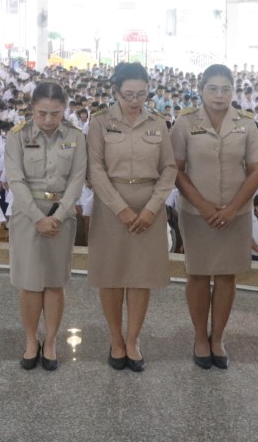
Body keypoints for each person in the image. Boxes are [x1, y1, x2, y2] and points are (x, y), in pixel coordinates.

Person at [170, 64, 258, 370]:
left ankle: (218, 338)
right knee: (198, 274)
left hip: (236, 214)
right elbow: (176, 170)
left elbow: (256, 170)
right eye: (213, 88)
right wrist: (204, 206)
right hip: (196, 213)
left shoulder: (246, 123)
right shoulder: (185, 123)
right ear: (201, 90)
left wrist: (232, 208)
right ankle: (200, 336)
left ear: (233, 91)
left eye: (226, 89)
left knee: (226, 276)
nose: (219, 95)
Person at [86, 62, 176, 372]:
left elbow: (169, 168)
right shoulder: (100, 122)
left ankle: (133, 340)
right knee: (111, 276)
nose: (135, 100)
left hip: (149, 206)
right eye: (128, 94)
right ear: (115, 91)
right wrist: (120, 208)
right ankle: (116, 339)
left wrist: (152, 208)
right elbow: (95, 168)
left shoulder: (158, 123)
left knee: (141, 277)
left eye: (141, 94)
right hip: (111, 206)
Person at [3, 80, 87, 372]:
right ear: (32, 109)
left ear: (64, 109)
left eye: (55, 113)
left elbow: (77, 180)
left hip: (61, 215)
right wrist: (38, 218)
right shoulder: (18, 136)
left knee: (54, 282)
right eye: (42, 113)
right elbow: (15, 180)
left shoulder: (75, 137)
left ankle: (50, 341)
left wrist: (58, 216)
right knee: (29, 284)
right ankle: (31, 341)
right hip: (28, 215)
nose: (48, 120)